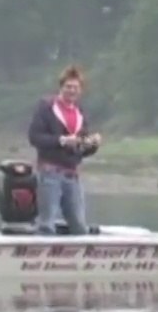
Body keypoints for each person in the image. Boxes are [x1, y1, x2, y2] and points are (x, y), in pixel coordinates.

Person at [27, 65, 102, 235]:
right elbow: (35, 137)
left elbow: (81, 149)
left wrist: (92, 144)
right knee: (46, 223)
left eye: (75, 87)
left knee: (79, 225)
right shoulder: (46, 107)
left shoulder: (79, 113)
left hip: (72, 175)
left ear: (81, 91)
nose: (72, 91)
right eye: (68, 87)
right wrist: (61, 140)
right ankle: (41, 258)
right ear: (61, 87)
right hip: (49, 173)